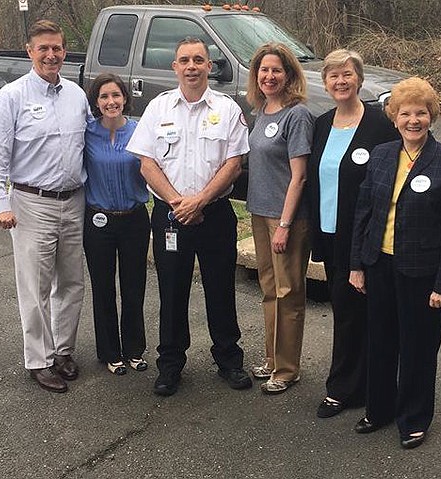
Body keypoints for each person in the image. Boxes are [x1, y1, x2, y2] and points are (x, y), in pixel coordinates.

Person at [349, 77, 441, 449]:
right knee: (381, 341)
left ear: (431, 116)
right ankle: (380, 408)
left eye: (420, 113)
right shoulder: (383, 155)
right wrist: (357, 265)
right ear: (394, 117)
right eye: (405, 113)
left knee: (418, 348)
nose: (413, 120)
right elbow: (364, 212)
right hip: (380, 264)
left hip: (423, 273)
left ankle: (414, 417)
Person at [125, 37, 252, 396]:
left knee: (220, 289)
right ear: (175, 67)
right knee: (172, 291)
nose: (192, 66)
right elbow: (146, 164)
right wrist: (180, 202)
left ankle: (229, 360)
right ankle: (170, 366)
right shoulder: (159, 108)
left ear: (209, 66)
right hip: (170, 215)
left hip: (214, 214)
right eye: (185, 60)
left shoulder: (227, 108)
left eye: (199, 59)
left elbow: (234, 164)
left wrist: (200, 201)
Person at [0, 20, 91, 393]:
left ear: (64, 50)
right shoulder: (12, 96)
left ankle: (63, 351)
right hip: (31, 203)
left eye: (57, 48)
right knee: (36, 286)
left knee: (72, 283)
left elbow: (87, 147)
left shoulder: (76, 95)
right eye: (43, 48)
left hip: (74, 201)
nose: (51, 55)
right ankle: (39, 360)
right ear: (29, 51)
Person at [307, 49, 399, 417]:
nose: (340, 82)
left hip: (367, 237)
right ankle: (351, 385)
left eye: (347, 74)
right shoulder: (322, 123)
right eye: (333, 76)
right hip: (330, 236)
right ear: (325, 82)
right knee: (345, 310)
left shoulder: (380, 125)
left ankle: (352, 388)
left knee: (368, 313)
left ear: (359, 79)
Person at [246, 42, 314, 395]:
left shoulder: (296, 114)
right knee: (270, 290)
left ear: (289, 75)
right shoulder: (262, 111)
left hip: (286, 219)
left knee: (289, 292)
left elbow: (299, 176)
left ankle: (288, 369)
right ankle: (273, 359)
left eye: (276, 70)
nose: (269, 76)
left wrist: (285, 225)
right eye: (264, 70)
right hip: (260, 213)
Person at [83, 73, 150, 376]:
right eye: (104, 97)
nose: (111, 102)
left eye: (116, 96)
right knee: (103, 287)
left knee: (134, 286)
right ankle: (110, 352)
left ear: (125, 98)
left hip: (134, 219)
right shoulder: (86, 134)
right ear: (96, 102)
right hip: (98, 221)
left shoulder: (140, 131)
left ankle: (134, 350)